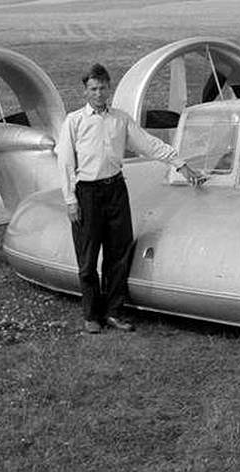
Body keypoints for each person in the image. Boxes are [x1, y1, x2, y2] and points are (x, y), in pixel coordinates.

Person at [55, 63, 206, 334]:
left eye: (103, 88)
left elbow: (148, 144)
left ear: (109, 89)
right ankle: (92, 315)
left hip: (115, 190)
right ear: (85, 91)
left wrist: (180, 164)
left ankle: (113, 311)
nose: (98, 94)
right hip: (87, 194)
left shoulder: (120, 119)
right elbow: (65, 163)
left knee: (119, 253)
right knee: (87, 259)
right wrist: (70, 201)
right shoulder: (74, 121)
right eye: (93, 89)